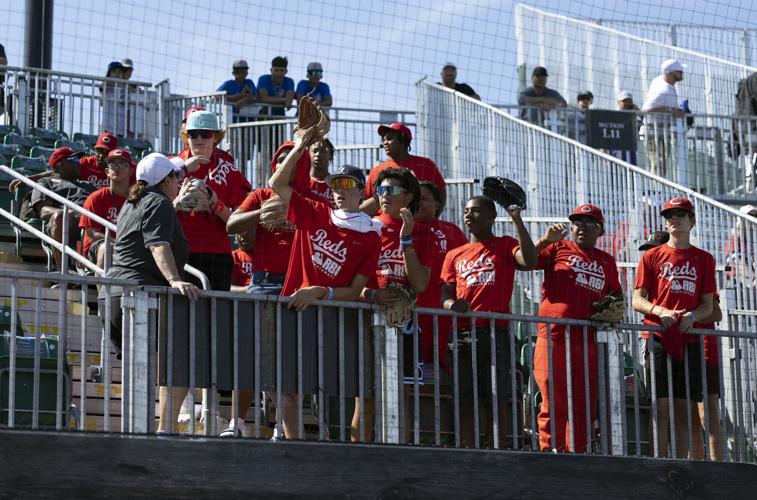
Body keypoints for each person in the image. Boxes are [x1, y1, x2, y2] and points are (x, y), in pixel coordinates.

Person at [269, 128, 382, 439]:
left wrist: (321, 292)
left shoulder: (372, 235)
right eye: (335, 185)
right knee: (289, 388)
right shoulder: (316, 212)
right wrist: (301, 144)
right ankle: (295, 448)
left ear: (362, 191)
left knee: (339, 389)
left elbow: (357, 288)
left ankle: (346, 450)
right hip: (295, 309)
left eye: (347, 185)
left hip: (334, 316)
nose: (339, 190)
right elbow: (276, 183)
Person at [102, 153, 201, 434]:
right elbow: (158, 245)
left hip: (118, 293)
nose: (180, 182)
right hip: (138, 296)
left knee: (150, 367)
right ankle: (161, 430)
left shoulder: (134, 202)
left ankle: (144, 431)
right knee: (178, 360)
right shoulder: (158, 202)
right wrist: (174, 280)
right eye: (176, 177)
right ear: (166, 180)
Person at [441, 195, 537, 449]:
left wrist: (517, 220)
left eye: (475, 211)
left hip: (496, 333)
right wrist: (452, 304)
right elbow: (445, 294)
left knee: (495, 397)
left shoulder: (505, 245)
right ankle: (466, 451)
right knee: (464, 398)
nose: (468, 215)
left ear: (492, 217)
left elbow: (530, 260)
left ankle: (497, 451)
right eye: (465, 210)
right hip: (461, 335)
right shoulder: (454, 254)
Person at [531, 204, 622, 453]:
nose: (582, 227)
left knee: (583, 405)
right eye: (577, 222)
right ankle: (550, 454)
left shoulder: (606, 261)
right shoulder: (557, 248)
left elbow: (617, 296)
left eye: (589, 223)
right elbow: (524, 260)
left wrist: (614, 308)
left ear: (600, 230)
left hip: (587, 341)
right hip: (553, 336)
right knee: (553, 402)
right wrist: (544, 240)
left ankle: (579, 456)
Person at [353, 167, 435, 442]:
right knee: (365, 396)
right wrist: (372, 295)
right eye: (381, 190)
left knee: (402, 396)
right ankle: (360, 457)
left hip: (404, 324)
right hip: (366, 319)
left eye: (392, 190)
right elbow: (349, 280)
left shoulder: (423, 234)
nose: (384, 195)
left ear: (409, 196)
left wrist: (406, 238)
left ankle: (402, 455)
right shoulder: (364, 226)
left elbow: (420, 283)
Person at [632, 197, 716, 459]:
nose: (673, 219)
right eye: (669, 215)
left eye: (680, 214)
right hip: (657, 337)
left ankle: (680, 469)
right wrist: (660, 311)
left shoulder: (704, 259)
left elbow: (708, 305)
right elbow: (636, 299)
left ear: (693, 221)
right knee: (659, 408)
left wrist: (692, 316)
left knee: (683, 408)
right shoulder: (651, 256)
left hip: (689, 341)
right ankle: (658, 466)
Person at [175, 110, 252, 292]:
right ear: (187, 137)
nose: (199, 138)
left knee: (215, 316)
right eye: (193, 134)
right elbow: (152, 206)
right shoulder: (172, 165)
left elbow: (242, 225)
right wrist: (177, 203)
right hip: (180, 249)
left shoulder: (230, 173)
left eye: (206, 134)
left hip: (217, 252)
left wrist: (215, 205)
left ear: (216, 137)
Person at [414, 181, 467, 370]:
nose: (419, 202)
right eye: (415, 198)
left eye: (425, 198)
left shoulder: (452, 231)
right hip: (412, 314)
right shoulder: (402, 229)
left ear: (437, 204)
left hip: (446, 316)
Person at [30, 147, 95, 272]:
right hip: (69, 223)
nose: (79, 163)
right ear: (60, 165)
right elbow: (43, 211)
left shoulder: (87, 185)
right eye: (74, 159)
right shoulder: (46, 182)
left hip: (91, 222)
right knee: (59, 217)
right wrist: (69, 212)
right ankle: (64, 271)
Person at [361, 123, 446, 215]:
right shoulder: (377, 170)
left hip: (418, 224)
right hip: (385, 226)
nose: (385, 142)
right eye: (384, 139)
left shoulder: (426, 165)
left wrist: (435, 216)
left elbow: (441, 193)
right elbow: (369, 200)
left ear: (403, 140)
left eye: (389, 138)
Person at [78, 148, 135, 271]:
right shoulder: (95, 198)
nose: (117, 167)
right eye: (112, 164)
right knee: (107, 248)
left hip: (127, 248)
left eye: (121, 163)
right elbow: (92, 234)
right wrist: (119, 243)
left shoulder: (136, 200)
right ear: (107, 171)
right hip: (99, 247)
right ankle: (104, 290)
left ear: (130, 171)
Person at [9, 132, 120, 192]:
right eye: (99, 150)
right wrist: (27, 179)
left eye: (106, 152)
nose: (101, 155)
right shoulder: (85, 163)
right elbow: (56, 172)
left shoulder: (123, 167)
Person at [641, 59, 687, 178]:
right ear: (672, 73)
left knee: (662, 162)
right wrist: (671, 110)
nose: (682, 73)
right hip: (654, 132)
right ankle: (657, 190)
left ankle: (658, 188)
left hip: (663, 131)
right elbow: (646, 109)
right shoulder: (662, 90)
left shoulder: (662, 82)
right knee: (658, 162)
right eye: (679, 71)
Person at [608, 91, 641, 166]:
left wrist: (636, 110)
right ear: (618, 103)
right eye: (624, 101)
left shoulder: (635, 116)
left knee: (632, 170)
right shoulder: (612, 116)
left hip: (631, 151)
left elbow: (640, 121)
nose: (627, 104)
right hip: (617, 150)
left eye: (629, 101)